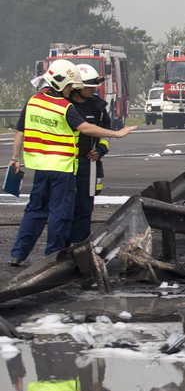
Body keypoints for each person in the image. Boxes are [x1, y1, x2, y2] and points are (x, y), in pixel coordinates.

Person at [9, 60, 137, 266]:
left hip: (47, 166)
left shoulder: (35, 101)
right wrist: (117, 133)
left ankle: (20, 254)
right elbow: (86, 128)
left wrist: (15, 159)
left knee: (40, 210)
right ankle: (53, 258)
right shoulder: (64, 106)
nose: (91, 90)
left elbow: (19, 131)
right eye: (73, 86)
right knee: (61, 214)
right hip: (64, 167)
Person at [68, 64, 112, 244]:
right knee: (64, 206)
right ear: (77, 86)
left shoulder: (97, 107)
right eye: (89, 86)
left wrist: (100, 150)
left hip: (88, 162)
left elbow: (105, 132)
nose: (93, 90)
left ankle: (80, 245)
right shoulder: (64, 104)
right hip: (65, 162)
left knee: (85, 206)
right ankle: (62, 245)